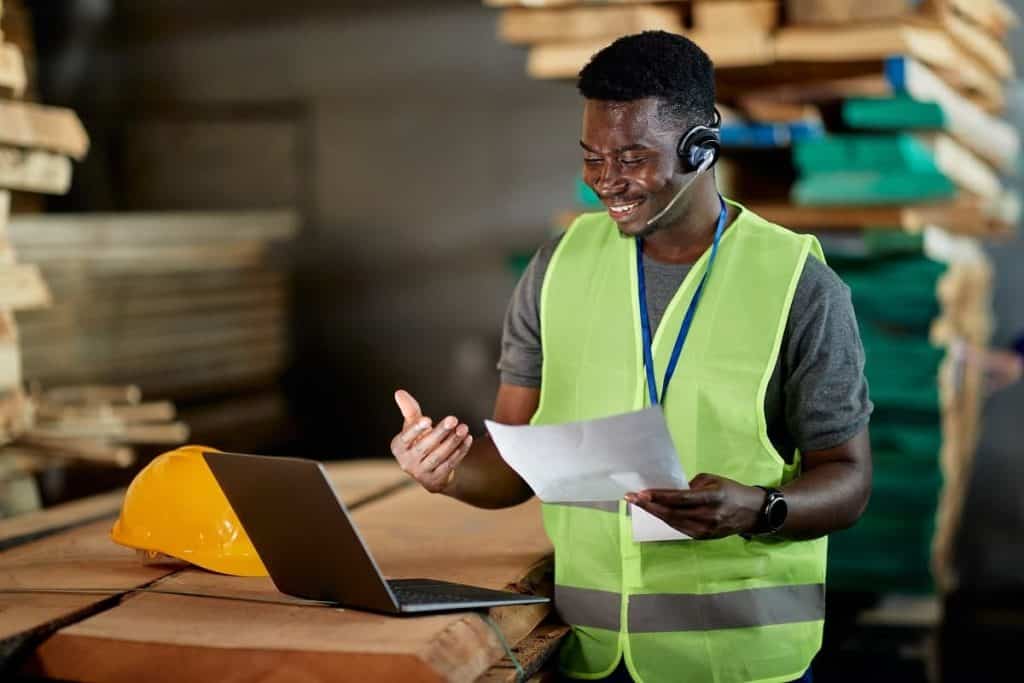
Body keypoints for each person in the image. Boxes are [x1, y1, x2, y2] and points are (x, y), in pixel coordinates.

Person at [390, 31, 872, 683]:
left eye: (632, 158)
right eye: (593, 158)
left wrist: (760, 508)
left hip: (740, 663)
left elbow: (848, 480)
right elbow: (513, 467)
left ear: (700, 147)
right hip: (590, 654)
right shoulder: (557, 267)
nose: (605, 180)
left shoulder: (798, 285)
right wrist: (446, 472)